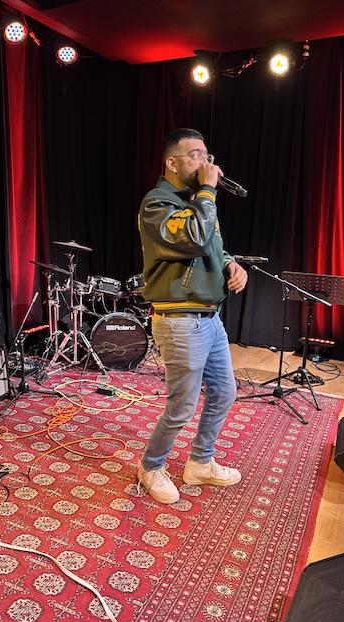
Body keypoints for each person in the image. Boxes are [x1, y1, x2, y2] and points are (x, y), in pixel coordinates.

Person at [137, 127, 248, 504]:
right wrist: (208, 191)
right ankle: (151, 466)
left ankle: (200, 462)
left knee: (224, 392)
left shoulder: (197, 201)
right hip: (180, 319)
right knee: (182, 405)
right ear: (172, 163)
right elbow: (194, 239)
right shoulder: (157, 203)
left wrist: (231, 264)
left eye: (207, 155)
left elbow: (213, 245)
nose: (206, 162)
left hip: (210, 318)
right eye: (196, 155)